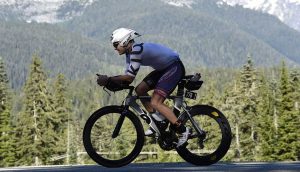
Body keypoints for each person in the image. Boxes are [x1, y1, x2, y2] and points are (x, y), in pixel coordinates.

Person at [97, 28, 190, 147]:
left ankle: (183, 130)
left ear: (125, 41)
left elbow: (129, 78)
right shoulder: (129, 53)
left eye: (116, 44)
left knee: (156, 102)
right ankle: (158, 121)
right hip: (163, 69)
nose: (115, 48)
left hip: (174, 68)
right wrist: (110, 82)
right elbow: (126, 77)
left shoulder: (136, 50)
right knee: (140, 90)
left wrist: (108, 79)